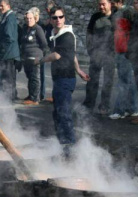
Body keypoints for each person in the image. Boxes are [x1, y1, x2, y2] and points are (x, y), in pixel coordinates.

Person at [38, 6, 89, 154]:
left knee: (63, 113)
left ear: (64, 18)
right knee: (58, 112)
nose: (58, 20)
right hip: (60, 78)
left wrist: (39, 61)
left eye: (61, 17)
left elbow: (57, 55)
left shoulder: (66, 35)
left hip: (65, 79)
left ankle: (69, 146)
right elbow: (72, 54)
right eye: (55, 18)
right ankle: (62, 143)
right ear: (51, 19)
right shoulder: (56, 34)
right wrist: (78, 69)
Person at [83, 0, 115, 115]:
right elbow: (89, 34)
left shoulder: (116, 17)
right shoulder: (95, 17)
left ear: (110, 4)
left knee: (108, 81)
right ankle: (88, 104)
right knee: (92, 80)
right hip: (96, 53)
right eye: (99, 4)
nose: (101, 6)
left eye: (103, 4)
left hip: (110, 55)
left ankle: (104, 106)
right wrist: (90, 50)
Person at [108, 0, 138, 120]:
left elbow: (134, 32)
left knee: (123, 81)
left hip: (125, 51)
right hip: (121, 50)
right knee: (128, 81)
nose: (111, 3)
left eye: (113, 1)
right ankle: (132, 109)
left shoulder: (128, 12)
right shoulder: (119, 12)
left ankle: (119, 111)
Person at [0, 0, 20, 102]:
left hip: (8, 55)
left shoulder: (10, 17)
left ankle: (8, 100)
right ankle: (3, 98)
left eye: (2, 6)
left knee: (7, 79)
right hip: (7, 54)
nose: (0, 8)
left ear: (8, 6)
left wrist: (1, 51)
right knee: (4, 78)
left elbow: (9, 37)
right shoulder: (7, 17)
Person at [20, 7, 48, 105]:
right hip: (26, 58)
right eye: (27, 18)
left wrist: (41, 57)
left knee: (35, 78)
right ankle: (31, 95)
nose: (28, 20)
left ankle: (35, 99)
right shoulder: (24, 28)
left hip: (35, 58)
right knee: (30, 77)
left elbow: (44, 44)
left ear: (35, 18)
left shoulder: (38, 29)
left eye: (30, 18)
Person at [39, 0, 58, 102]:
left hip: (53, 47)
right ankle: (42, 94)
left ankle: (55, 96)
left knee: (55, 72)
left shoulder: (55, 18)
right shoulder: (50, 19)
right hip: (48, 47)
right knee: (44, 71)